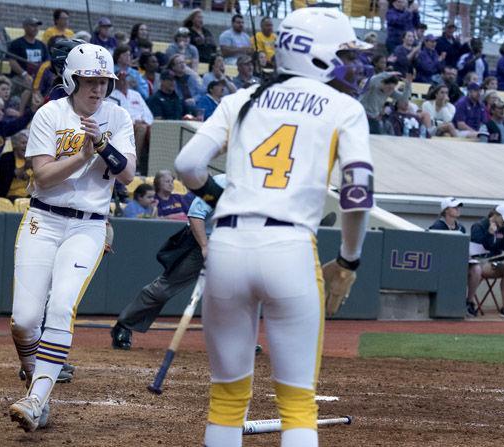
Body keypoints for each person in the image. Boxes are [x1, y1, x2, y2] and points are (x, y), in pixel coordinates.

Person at [174, 8, 373, 447]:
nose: (351, 63)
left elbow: (186, 164)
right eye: (343, 53)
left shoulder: (241, 97)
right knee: (298, 404)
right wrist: (349, 259)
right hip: (290, 246)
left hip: (227, 243)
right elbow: (358, 194)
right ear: (317, 56)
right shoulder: (344, 107)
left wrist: (216, 197)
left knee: (226, 399)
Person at [8, 42, 136, 432]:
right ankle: (34, 378)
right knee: (23, 321)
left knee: (62, 306)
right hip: (43, 220)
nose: (97, 90)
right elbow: (42, 177)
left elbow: (128, 174)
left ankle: (37, 400)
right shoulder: (51, 113)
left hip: (88, 224)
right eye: (89, 82)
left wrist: (100, 144)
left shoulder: (118, 116)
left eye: (104, 82)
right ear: (72, 80)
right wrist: (82, 156)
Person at [112, 174, 226, 349]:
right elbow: (195, 214)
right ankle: (125, 325)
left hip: (232, 245)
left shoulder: (261, 190)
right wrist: (204, 246)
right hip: (200, 240)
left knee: (239, 293)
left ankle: (238, 339)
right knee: (164, 289)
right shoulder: (220, 184)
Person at [469, 204, 504, 318]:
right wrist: (490, 233)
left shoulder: (502, 229)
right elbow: (479, 249)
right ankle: (468, 302)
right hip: (480, 262)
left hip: (496, 262)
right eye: (503, 220)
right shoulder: (478, 226)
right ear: (496, 215)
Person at [109, 71, 153, 172]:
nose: (124, 81)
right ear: (115, 81)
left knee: (152, 128)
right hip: (125, 126)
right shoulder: (111, 96)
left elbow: (148, 114)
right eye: (121, 78)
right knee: (141, 128)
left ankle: (156, 162)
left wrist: (144, 120)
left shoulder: (135, 94)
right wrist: (133, 121)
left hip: (142, 123)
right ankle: (134, 164)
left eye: (126, 78)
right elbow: (117, 115)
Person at [8, 17, 50, 87]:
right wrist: (24, 74)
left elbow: (47, 62)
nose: (35, 28)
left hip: (38, 77)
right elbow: (12, 61)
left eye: (37, 26)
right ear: (25, 27)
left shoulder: (42, 45)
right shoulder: (16, 43)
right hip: (20, 77)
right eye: (32, 25)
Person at [0, 129, 31, 200]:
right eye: (23, 143)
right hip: (10, 196)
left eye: (28, 143)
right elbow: (7, 176)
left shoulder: (30, 159)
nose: (26, 146)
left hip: (28, 196)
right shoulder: (6, 158)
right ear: (14, 144)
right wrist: (25, 167)